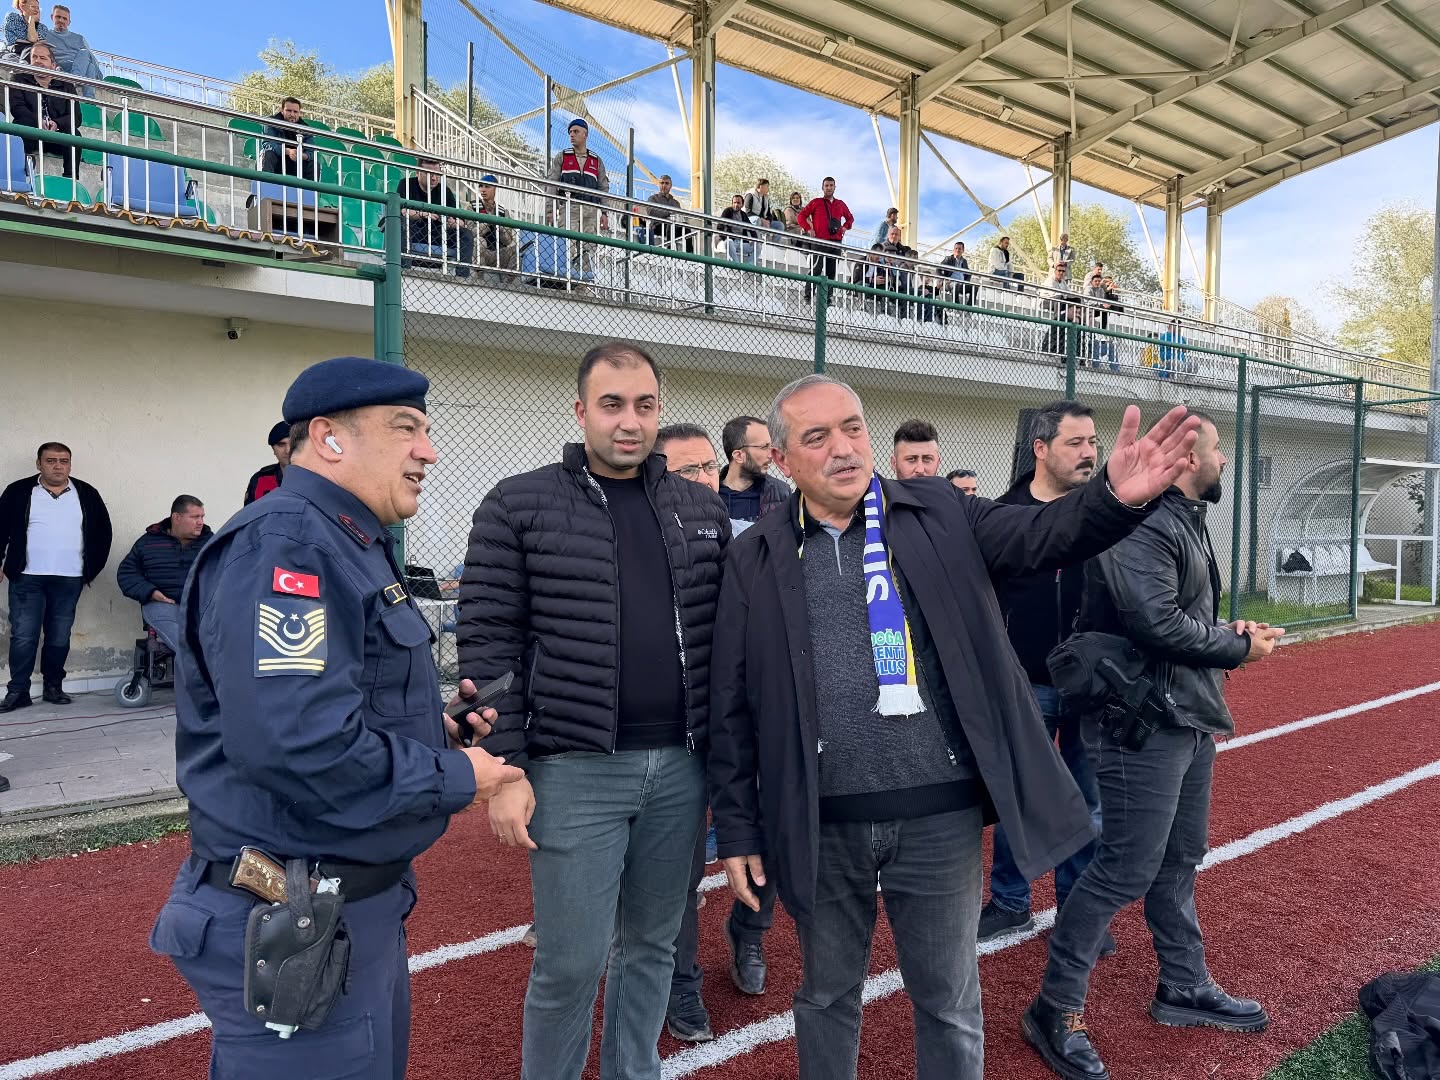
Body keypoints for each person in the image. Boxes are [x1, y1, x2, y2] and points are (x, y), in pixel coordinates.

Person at [709, 373, 1202, 1080]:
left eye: (852, 427)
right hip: (822, 820)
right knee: (826, 996)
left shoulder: (937, 508)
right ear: (783, 460)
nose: (843, 448)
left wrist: (1113, 499)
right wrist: (737, 827)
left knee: (947, 1003)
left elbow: (1037, 535)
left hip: (939, 818)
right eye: (817, 437)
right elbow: (731, 703)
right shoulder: (753, 555)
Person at [148, 356, 524, 1079]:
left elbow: (334, 706)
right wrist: (455, 777)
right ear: (328, 438)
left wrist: (438, 733)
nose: (429, 451)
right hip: (292, 917)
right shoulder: (291, 544)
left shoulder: (344, 538)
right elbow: (296, 744)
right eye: (406, 428)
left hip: (341, 910)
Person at [459, 342, 729, 1080]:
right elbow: (488, 642)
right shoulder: (517, 503)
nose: (629, 421)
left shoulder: (700, 508)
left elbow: (724, 639)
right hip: (574, 771)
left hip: (681, 769)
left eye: (644, 405)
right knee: (571, 961)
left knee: (652, 947)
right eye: (612, 405)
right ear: (581, 411)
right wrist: (508, 769)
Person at [1024, 412, 1285, 1080]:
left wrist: (1229, 632)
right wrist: (1236, 649)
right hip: (1139, 722)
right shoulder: (1144, 522)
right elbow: (1154, 622)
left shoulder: (1184, 519)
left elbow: (1176, 617)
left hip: (1183, 714)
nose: (1224, 462)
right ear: (1190, 458)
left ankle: (1183, 985)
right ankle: (1055, 1007)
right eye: (1219, 451)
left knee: (1178, 859)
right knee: (1125, 868)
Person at [979, 402, 1110, 953]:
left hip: (1094, 685)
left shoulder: (1104, 512)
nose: (1089, 453)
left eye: (1093, 442)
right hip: (1025, 683)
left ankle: (1077, 912)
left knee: (1088, 802)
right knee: (1019, 798)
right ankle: (1010, 900)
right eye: (1075, 442)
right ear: (1040, 448)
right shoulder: (1003, 515)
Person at [651, 422, 726, 1043]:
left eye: (710, 467)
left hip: (693, 740)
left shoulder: (729, 540)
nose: (705, 480)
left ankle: (682, 985)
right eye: (688, 470)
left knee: (679, 879)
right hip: (613, 746)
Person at [0, 441, 111, 717]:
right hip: (27, 577)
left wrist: (90, 570)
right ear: (39, 464)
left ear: (70, 465)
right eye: (51, 461)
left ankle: (53, 687)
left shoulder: (86, 493)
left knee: (59, 636)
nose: (58, 466)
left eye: (64, 461)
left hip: (69, 578)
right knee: (23, 636)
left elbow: (103, 533)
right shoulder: (19, 491)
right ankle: (18, 691)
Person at [116, 495, 213, 652]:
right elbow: (126, 573)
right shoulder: (148, 542)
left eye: (202, 517)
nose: (200, 522)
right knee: (183, 641)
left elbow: (228, 573)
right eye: (195, 517)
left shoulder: (211, 543)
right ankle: (197, 661)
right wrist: (151, 593)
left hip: (202, 607)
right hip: (164, 604)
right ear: (176, 517)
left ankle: (199, 661)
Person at [8, 40, 79, 179]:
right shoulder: (18, 79)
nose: (37, 61)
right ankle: (23, 170)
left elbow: (76, 117)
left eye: (42, 58)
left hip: (55, 136)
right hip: (31, 133)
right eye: (34, 57)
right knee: (22, 124)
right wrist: (38, 121)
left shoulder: (67, 86)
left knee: (74, 134)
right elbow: (17, 108)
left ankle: (70, 180)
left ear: (53, 65)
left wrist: (57, 123)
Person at [547, 116, 609, 271]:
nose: (572, 135)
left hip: (591, 209)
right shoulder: (562, 156)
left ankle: (584, 278)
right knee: (566, 244)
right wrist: (550, 209)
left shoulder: (596, 160)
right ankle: (565, 275)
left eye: (575, 131)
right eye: (570, 132)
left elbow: (603, 187)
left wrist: (604, 212)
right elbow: (552, 184)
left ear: (585, 134)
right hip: (569, 207)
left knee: (589, 247)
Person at [397, 156, 475, 277]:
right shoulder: (406, 184)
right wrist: (424, 214)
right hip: (414, 231)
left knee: (466, 234)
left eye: (437, 174)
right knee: (401, 225)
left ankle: (463, 277)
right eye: (429, 174)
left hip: (438, 234)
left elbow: (461, 221)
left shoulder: (445, 191)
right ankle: (403, 270)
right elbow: (402, 211)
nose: (434, 178)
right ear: (418, 172)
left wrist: (453, 223)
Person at [719, 414, 791, 530]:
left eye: (771, 446)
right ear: (739, 456)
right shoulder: (710, 496)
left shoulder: (781, 493)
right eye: (764, 447)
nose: (771, 455)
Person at [795, 177, 853, 303]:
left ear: (835, 187)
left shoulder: (840, 204)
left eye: (831, 185)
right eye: (826, 185)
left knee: (831, 271)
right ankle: (808, 296)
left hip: (836, 242)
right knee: (816, 268)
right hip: (819, 241)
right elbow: (801, 216)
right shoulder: (816, 202)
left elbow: (850, 218)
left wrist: (845, 227)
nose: (829, 188)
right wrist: (808, 229)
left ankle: (828, 298)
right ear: (823, 187)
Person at [43, 5, 101, 94]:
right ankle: (75, 80)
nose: (61, 20)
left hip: (77, 66)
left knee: (88, 60)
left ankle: (75, 79)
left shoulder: (79, 38)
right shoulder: (46, 35)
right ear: (52, 17)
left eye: (64, 18)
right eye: (58, 17)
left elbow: (90, 58)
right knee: (90, 65)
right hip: (59, 66)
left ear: (69, 22)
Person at [259, 96, 315, 181]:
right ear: (282, 110)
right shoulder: (271, 122)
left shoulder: (305, 128)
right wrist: (288, 151)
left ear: (299, 113)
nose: (292, 114)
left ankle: (310, 189)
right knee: (268, 154)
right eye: (289, 110)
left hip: (296, 165)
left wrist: (301, 156)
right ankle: (266, 186)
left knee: (314, 164)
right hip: (277, 162)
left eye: (295, 112)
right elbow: (267, 144)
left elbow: (311, 152)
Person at [475, 173, 518, 272]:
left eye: (487, 186)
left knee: (516, 248)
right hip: (481, 252)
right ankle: (479, 277)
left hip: (498, 253)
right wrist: (487, 222)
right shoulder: (473, 207)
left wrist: (500, 227)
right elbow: (471, 233)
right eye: (481, 186)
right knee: (479, 241)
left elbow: (508, 241)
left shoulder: (503, 212)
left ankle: (509, 281)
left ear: (494, 189)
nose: (483, 190)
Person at [244, 421, 290, 505]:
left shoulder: (314, 477)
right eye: (281, 444)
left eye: (293, 444)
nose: (288, 450)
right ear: (273, 449)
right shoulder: (260, 479)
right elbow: (249, 512)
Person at [719, 193, 758, 265]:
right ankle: (737, 264)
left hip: (742, 243)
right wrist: (723, 237)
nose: (736, 205)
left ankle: (749, 265)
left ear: (742, 205)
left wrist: (755, 240)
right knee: (728, 242)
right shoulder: (727, 211)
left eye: (738, 203)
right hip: (732, 242)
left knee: (758, 245)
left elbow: (751, 228)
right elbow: (720, 226)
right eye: (734, 202)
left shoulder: (743, 215)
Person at [939, 241, 975, 307]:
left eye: (959, 249)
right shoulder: (948, 259)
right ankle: (956, 306)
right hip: (949, 284)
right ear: (953, 250)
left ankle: (969, 307)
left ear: (963, 250)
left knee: (974, 287)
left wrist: (966, 282)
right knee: (955, 284)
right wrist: (944, 280)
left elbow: (969, 273)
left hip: (961, 285)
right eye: (956, 248)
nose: (957, 250)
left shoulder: (964, 261)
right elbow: (938, 269)